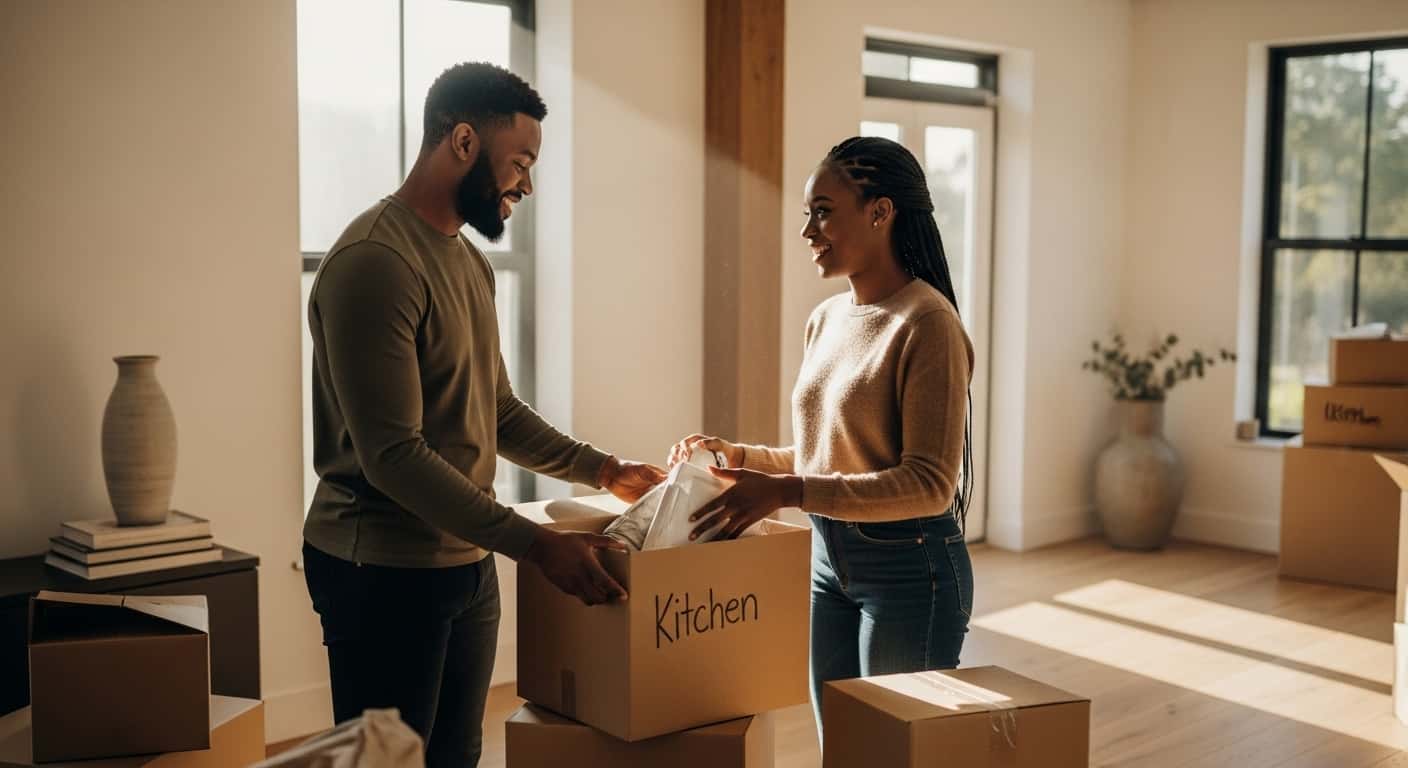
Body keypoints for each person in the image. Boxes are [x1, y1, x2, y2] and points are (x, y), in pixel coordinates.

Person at [302, 62, 665, 768]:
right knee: (391, 763)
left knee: (456, 759)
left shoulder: (470, 263)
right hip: (381, 570)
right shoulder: (377, 261)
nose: (525, 184)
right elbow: (393, 455)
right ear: (463, 142)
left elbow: (495, 411)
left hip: (465, 564)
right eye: (520, 162)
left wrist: (605, 469)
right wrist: (533, 544)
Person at [669, 136, 976, 741]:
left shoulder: (928, 323)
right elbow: (823, 456)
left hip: (911, 571)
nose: (809, 230)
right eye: (807, 213)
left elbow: (931, 485)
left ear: (881, 212)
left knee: (889, 752)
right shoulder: (826, 319)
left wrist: (786, 490)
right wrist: (740, 458)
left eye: (824, 211)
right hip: (828, 567)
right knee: (839, 746)